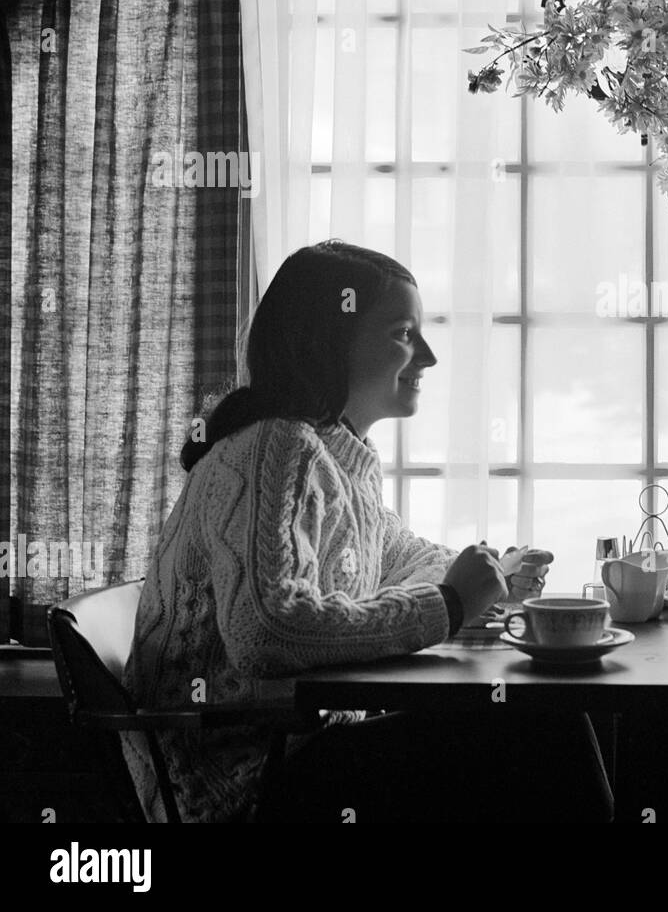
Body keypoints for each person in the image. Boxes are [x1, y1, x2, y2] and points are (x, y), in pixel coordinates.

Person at [123, 240, 613, 823]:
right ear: (330, 341)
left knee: (542, 724)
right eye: (404, 332)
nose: (427, 356)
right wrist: (452, 603)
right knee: (546, 728)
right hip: (246, 788)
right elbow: (266, 631)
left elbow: (394, 555)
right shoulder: (276, 447)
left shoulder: (333, 453)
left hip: (296, 755)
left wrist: (492, 576)